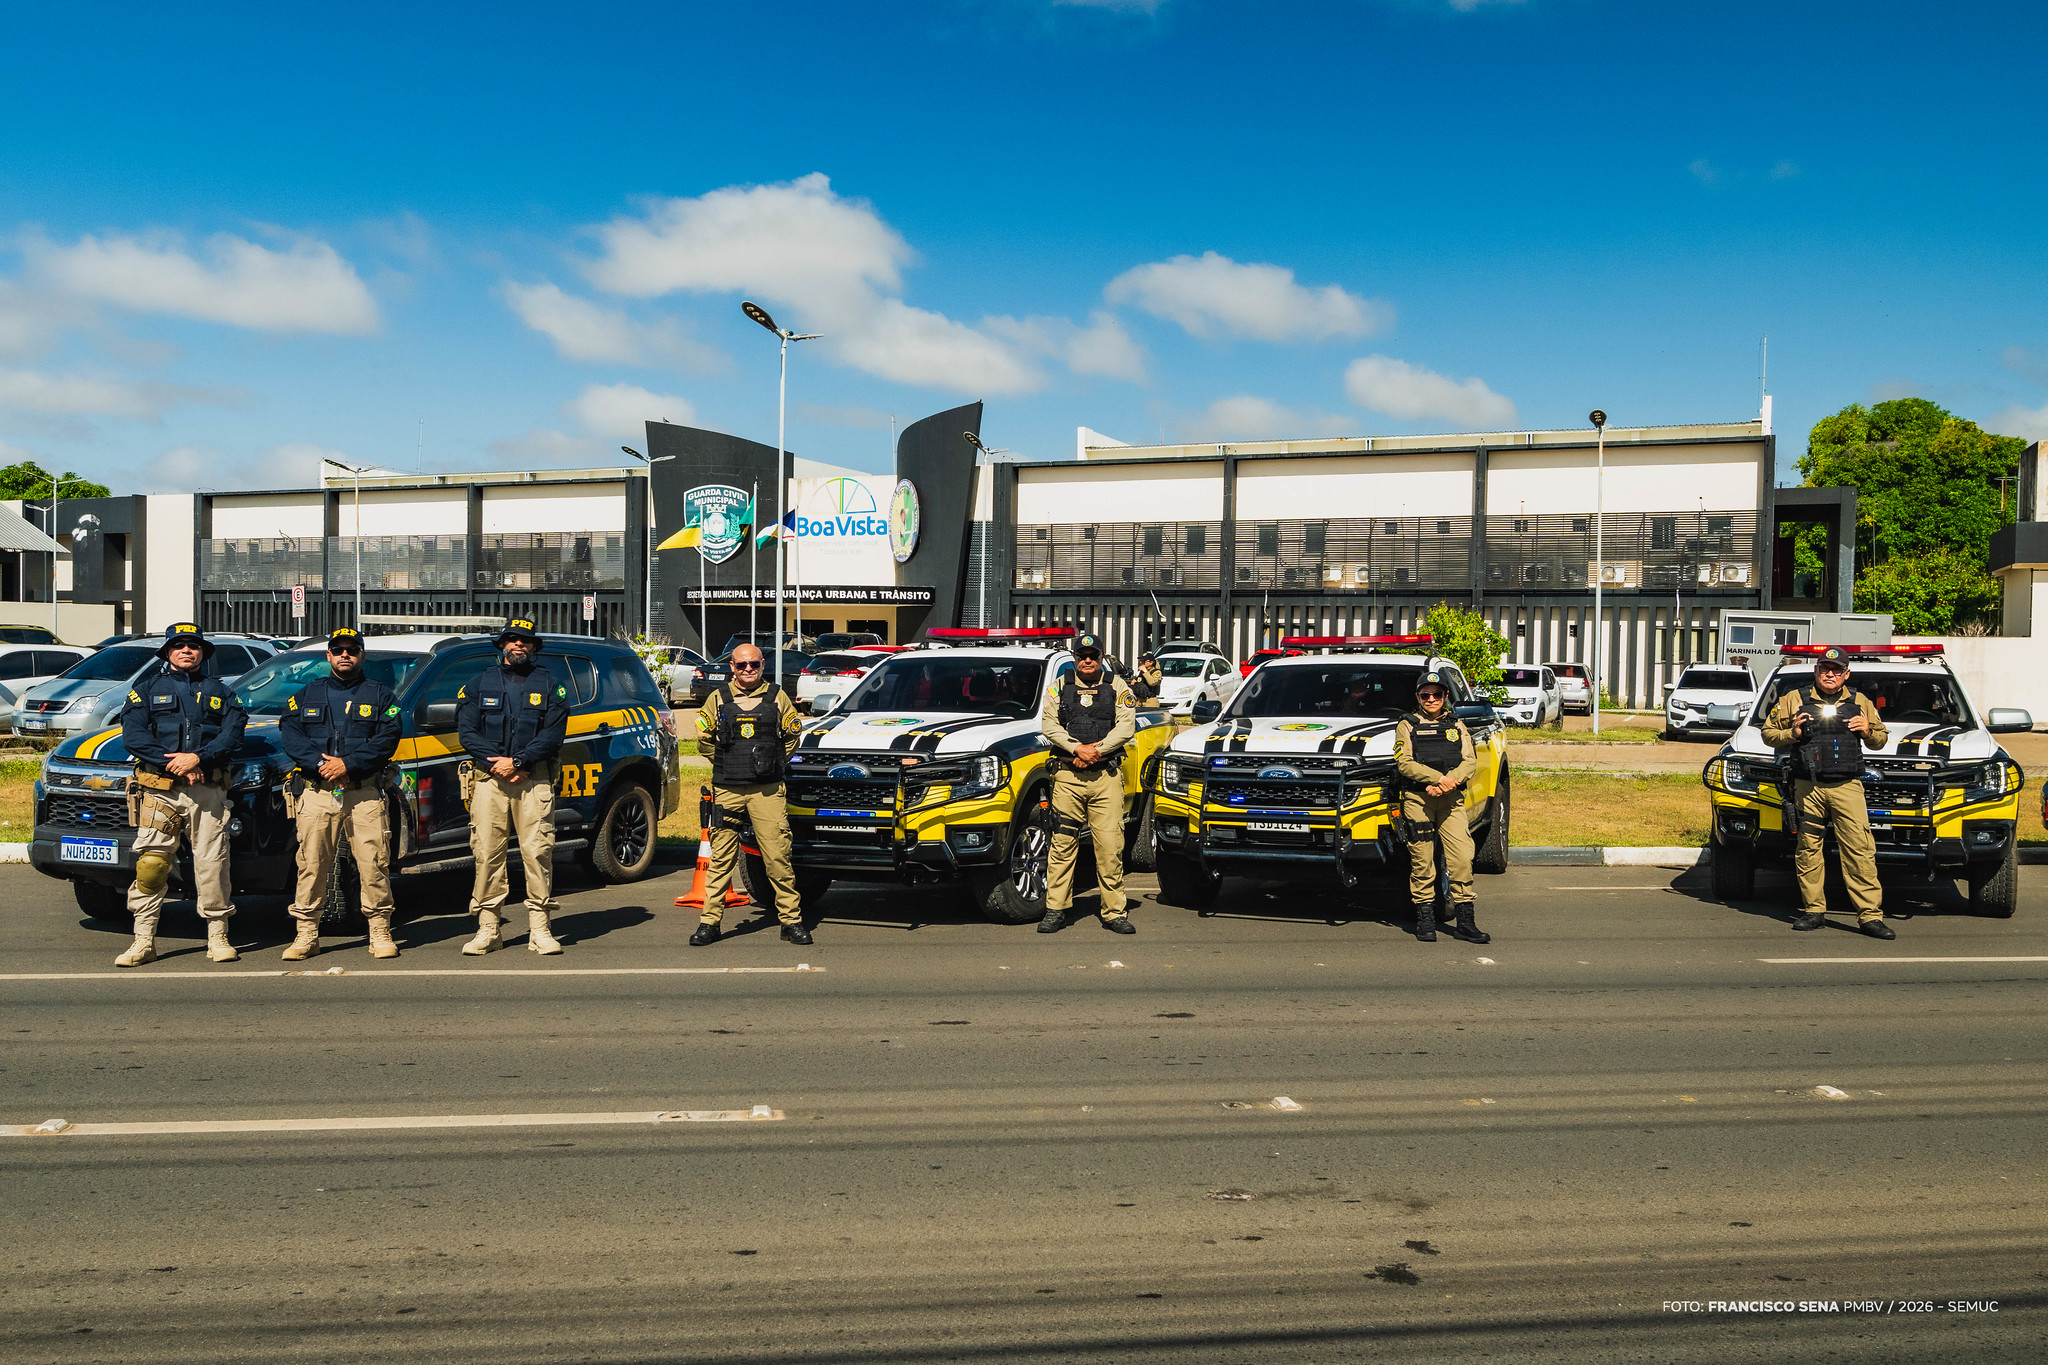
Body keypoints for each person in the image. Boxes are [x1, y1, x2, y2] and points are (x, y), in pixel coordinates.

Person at [114, 622, 248, 967]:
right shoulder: (144, 690)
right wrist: (176, 764)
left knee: (213, 864)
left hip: (208, 792)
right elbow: (134, 737)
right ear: (167, 652)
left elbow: (233, 735)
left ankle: (218, 937)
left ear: (203, 652)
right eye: (179, 645)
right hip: (160, 792)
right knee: (152, 864)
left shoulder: (223, 692)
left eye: (194, 646)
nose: (187, 651)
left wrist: (198, 758)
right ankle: (143, 940)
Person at [277, 627, 403, 961]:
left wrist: (346, 764)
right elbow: (290, 736)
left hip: (364, 793)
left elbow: (387, 740)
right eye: (338, 650)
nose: (344, 655)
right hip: (317, 793)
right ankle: (306, 935)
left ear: (362, 655)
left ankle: (379, 931)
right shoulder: (305, 695)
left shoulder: (381, 696)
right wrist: (322, 764)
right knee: (312, 864)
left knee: (373, 863)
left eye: (352, 650)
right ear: (328, 656)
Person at [456, 619, 572, 955]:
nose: (518, 645)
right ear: (501, 645)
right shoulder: (478, 684)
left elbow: (553, 734)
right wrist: (498, 764)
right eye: (512, 640)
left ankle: (540, 929)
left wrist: (518, 762)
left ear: (534, 647)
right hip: (490, 781)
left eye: (525, 641)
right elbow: (467, 733)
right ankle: (489, 929)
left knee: (537, 852)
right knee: (487, 853)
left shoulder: (551, 685)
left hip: (532, 779)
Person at [1760, 646, 1891, 938]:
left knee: (1860, 851)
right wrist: (1792, 734)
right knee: (1808, 850)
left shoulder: (1860, 701)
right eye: (1824, 669)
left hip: (1847, 787)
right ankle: (1813, 911)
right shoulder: (1793, 699)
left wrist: (1867, 731)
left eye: (1836, 670)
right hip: (1808, 786)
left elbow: (1881, 739)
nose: (1829, 674)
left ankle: (1869, 916)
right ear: (1816, 671)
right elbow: (1768, 734)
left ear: (1846, 674)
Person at [690, 642, 808, 946]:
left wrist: (774, 762)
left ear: (762, 665)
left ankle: (791, 921)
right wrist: (726, 761)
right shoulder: (717, 698)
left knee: (778, 858)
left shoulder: (777, 697)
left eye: (753, 664)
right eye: (741, 665)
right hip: (728, 788)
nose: (747, 670)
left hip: (766, 791)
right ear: (731, 667)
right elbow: (702, 739)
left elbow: (793, 735)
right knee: (721, 860)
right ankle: (710, 923)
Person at [1038, 633, 1139, 934]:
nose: (1087, 660)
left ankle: (1114, 913)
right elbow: (1048, 725)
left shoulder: (1117, 686)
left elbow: (1126, 726)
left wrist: (1096, 751)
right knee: (1062, 845)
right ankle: (1055, 910)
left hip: (1105, 777)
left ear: (1101, 657)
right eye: (1082, 655)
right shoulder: (1059, 687)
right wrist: (1076, 748)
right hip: (1068, 777)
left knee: (1109, 848)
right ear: (1075, 658)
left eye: (1093, 655)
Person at [1393, 672, 1486, 944]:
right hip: (1418, 800)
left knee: (1461, 859)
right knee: (1422, 862)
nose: (1431, 699)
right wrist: (1437, 779)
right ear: (1418, 697)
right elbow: (1404, 763)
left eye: (1437, 694)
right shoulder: (1407, 725)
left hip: (1451, 799)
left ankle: (1465, 923)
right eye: (1425, 695)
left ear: (1445, 696)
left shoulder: (1457, 725)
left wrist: (1448, 783)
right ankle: (1425, 921)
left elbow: (1470, 761)